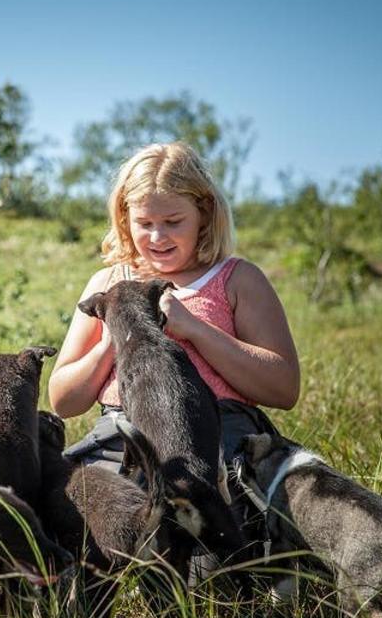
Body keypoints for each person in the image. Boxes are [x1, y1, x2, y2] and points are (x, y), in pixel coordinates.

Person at [49, 141, 299, 474]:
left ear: (204, 213)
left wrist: (195, 329)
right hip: (122, 438)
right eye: (144, 223)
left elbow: (284, 388)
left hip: (221, 438)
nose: (157, 237)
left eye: (173, 221)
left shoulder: (238, 279)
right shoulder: (107, 283)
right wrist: (115, 341)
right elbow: (63, 401)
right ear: (125, 219)